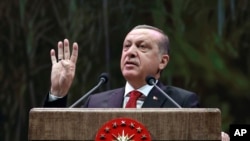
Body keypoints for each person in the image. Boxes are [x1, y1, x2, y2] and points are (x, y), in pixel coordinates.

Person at [43, 25, 230, 140]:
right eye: (127, 46)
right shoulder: (96, 102)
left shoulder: (181, 103)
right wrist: (58, 93)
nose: (130, 52)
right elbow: (52, 136)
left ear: (163, 61)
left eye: (142, 46)